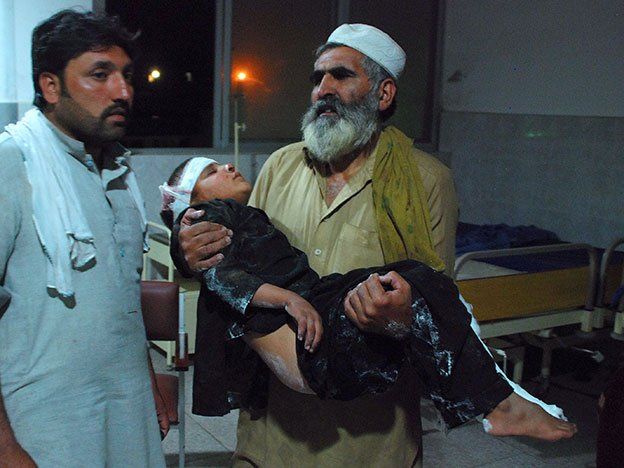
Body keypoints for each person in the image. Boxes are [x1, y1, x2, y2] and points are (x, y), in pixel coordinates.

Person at [162, 156, 578, 440]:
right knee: (415, 280)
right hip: (301, 335)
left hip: (319, 311)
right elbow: (221, 276)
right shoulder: (211, 216)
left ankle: (494, 399)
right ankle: (496, 404)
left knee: (414, 279)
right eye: (211, 171)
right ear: (191, 201)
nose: (228, 165)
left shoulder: (422, 175)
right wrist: (289, 299)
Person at [0, 10, 166, 467]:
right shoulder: (12, 164)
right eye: (100, 74)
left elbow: (121, 299)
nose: (123, 92)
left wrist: (147, 383)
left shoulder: (119, 173)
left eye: (127, 76)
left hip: (129, 412)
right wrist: (5, 448)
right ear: (51, 86)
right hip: (45, 429)